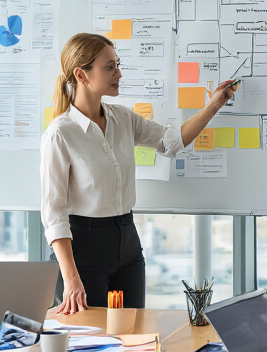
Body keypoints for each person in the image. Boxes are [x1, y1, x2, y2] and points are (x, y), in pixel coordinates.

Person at [41, 32, 236, 314]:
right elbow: (54, 213)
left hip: (127, 243)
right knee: (91, 344)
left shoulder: (122, 118)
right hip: (83, 250)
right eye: (109, 67)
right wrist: (71, 278)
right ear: (81, 75)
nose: (118, 73)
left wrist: (214, 104)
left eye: (117, 64)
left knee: (133, 338)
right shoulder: (60, 133)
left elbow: (171, 142)